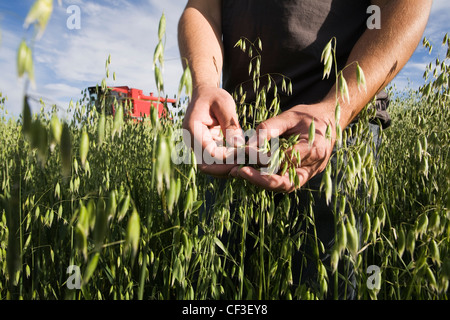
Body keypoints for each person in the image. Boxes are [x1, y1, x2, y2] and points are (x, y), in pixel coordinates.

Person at [178, 0, 432, 298]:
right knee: (224, 284)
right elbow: (202, 8)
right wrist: (205, 85)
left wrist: (336, 110)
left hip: (337, 132)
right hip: (235, 129)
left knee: (322, 285)